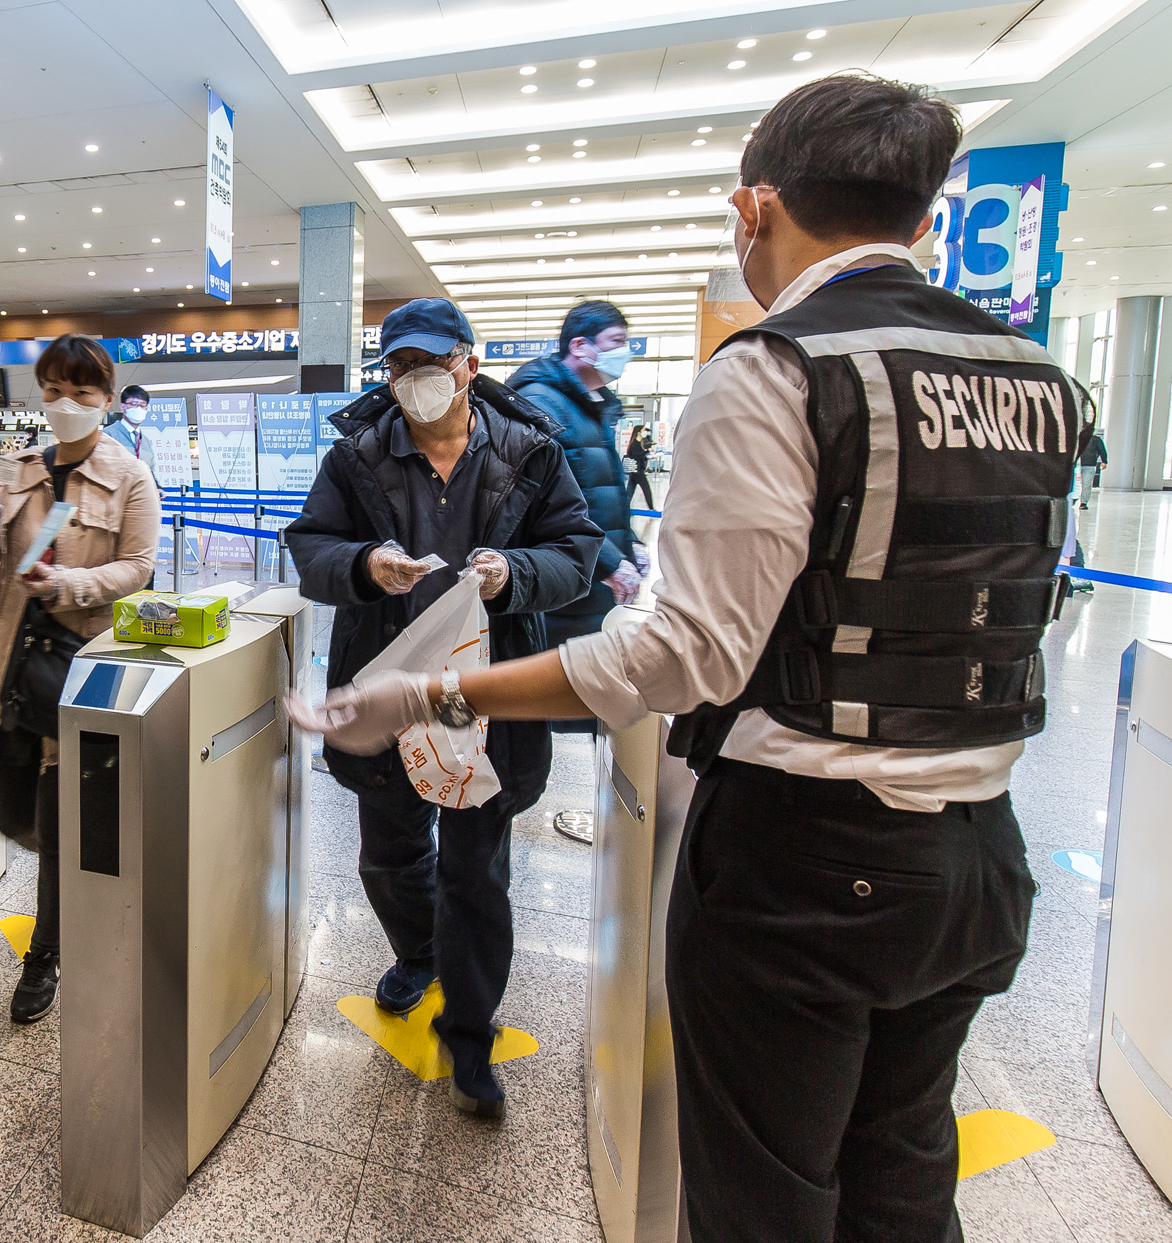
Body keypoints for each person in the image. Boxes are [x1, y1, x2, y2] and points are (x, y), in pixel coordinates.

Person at [292, 74, 1082, 1240]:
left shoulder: (780, 367)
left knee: (763, 1190)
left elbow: (683, 657)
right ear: (923, 222)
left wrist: (439, 685)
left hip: (805, 856)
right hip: (976, 848)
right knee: (903, 1172)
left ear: (751, 208)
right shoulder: (1038, 380)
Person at [282, 297, 600, 1117]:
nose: (416, 380)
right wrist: (365, 563)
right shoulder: (356, 456)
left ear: (469, 361)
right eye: (399, 367)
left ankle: (469, 1030)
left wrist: (513, 574)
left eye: (431, 362)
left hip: (478, 690)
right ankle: (420, 951)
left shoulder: (530, 452)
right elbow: (309, 549)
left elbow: (576, 553)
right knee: (388, 855)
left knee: (473, 863)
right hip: (388, 680)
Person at [0, 334, 160, 1025]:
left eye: (83, 393)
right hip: (10, 669)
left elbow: (138, 569)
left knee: (63, 828)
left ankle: (45, 954)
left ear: (107, 400)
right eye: (55, 391)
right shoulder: (19, 468)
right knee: (17, 814)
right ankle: (84, 894)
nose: (67, 405)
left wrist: (68, 581)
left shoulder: (130, 477)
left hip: (79, 669)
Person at [507, 300, 648, 845]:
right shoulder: (543, 402)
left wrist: (627, 545)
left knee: (584, 691)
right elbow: (554, 500)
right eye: (613, 341)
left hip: (593, 574)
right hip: (563, 578)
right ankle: (514, 797)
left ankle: (579, 801)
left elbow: (605, 490)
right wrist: (610, 561)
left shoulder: (594, 404)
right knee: (549, 688)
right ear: (579, 346)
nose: (622, 352)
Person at [104, 384, 152, 460]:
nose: (138, 409)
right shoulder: (108, 435)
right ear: (123, 407)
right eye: (133, 404)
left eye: (142, 405)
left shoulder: (146, 442)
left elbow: (151, 469)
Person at [623, 426, 654, 511]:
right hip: (638, 471)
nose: (646, 432)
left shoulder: (639, 443)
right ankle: (651, 508)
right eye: (644, 430)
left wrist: (647, 457)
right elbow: (636, 455)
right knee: (646, 489)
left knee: (630, 491)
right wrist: (647, 451)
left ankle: (624, 507)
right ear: (639, 432)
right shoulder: (635, 443)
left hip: (635, 471)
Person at [1078, 423, 1107, 508]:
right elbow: (1102, 451)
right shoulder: (1095, 440)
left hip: (1083, 464)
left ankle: (1081, 501)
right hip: (1088, 463)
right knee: (1086, 484)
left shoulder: (1078, 439)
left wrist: (1104, 461)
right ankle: (1083, 502)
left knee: (1084, 483)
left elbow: (1102, 451)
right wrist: (1104, 461)